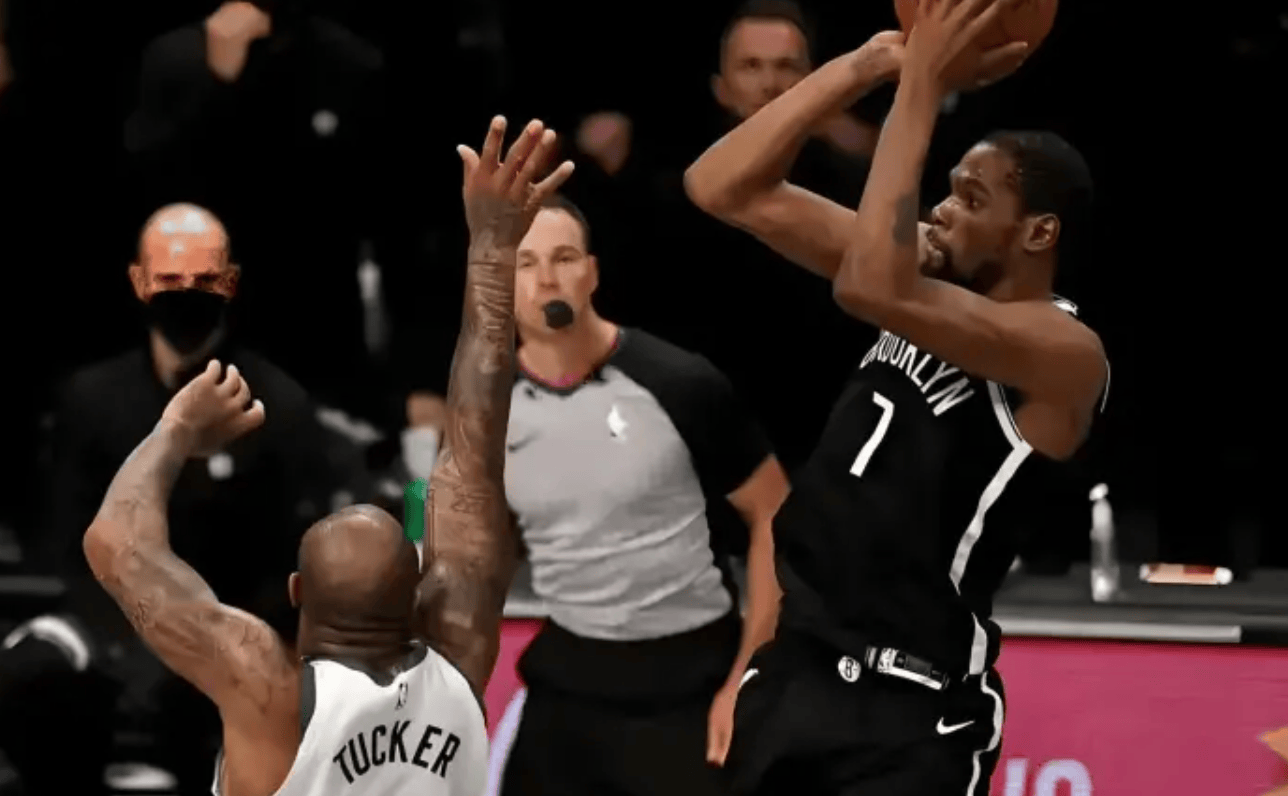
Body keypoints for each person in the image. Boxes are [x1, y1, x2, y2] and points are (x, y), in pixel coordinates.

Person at [78, 116, 573, 796]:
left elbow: (113, 544)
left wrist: (175, 429)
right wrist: (492, 249)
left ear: (297, 593)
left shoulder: (266, 689)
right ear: (420, 593)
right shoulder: (459, 653)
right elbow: (474, 451)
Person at [685, 3, 1108, 795]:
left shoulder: (1066, 353)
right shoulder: (921, 269)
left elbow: (869, 288)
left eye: (972, 199)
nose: (941, 209)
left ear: (1038, 235)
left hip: (912, 711)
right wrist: (872, 63)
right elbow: (719, 185)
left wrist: (922, 86)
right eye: (947, 190)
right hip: (795, 671)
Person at [0, 203, 370, 796]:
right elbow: (65, 539)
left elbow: (291, 555)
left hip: (231, 626)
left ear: (231, 283)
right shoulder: (89, 399)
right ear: (138, 281)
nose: (186, 294)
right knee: (29, 677)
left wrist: (203, 637)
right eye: (169, 279)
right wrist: (133, 640)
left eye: (204, 280)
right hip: (108, 621)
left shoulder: (278, 403)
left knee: (221, 699)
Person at [494, 195, 789, 796]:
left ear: (592, 273)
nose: (546, 278)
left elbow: (775, 511)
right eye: (525, 262)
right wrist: (412, 533)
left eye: (563, 258)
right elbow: (428, 496)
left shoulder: (679, 382)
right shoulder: (484, 401)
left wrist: (747, 674)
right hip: (567, 677)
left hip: (689, 682)